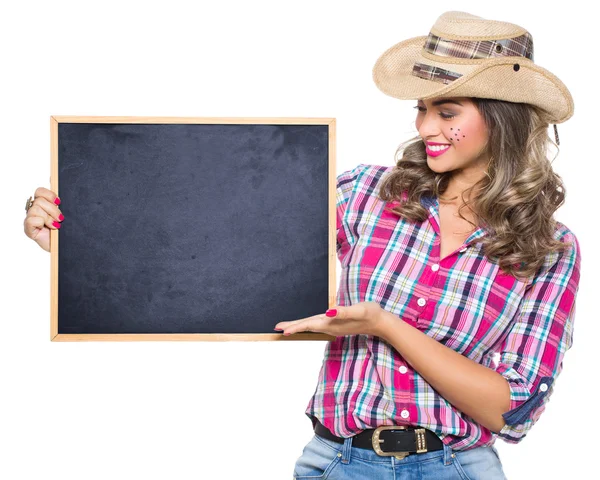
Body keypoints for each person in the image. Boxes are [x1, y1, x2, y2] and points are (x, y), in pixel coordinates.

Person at [272, 11, 581, 480]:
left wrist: (384, 324)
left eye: (448, 112)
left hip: (458, 468)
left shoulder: (549, 247)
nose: (426, 128)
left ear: (503, 120)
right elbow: (252, 242)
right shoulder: (366, 194)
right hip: (338, 463)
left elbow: (511, 409)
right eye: (421, 108)